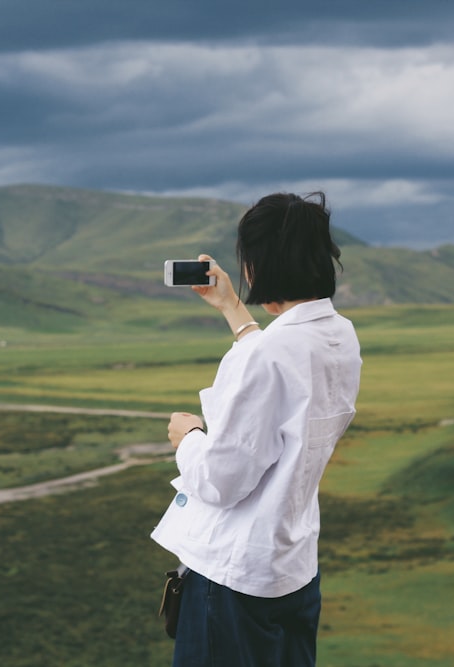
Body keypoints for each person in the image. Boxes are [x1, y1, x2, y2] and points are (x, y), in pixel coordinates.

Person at [150, 192, 362, 667]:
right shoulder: (340, 335)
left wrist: (189, 441)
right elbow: (284, 370)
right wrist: (232, 308)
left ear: (257, 265)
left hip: (233, 579)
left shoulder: (270, 355)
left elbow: (220, 482)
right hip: (293, 569)